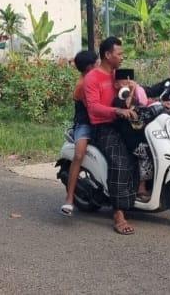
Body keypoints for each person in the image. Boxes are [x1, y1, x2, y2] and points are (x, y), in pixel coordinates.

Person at [83, 37, 138, 235]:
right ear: (108, 55)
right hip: (102, 127)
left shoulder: (117, 76)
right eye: (119, 54)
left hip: (119, 123)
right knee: (120, 161)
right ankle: (118, 214)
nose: (122, 57)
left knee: (140, 152)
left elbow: (125, 104)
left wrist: (129, 91)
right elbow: (93, 107)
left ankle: (136, 195)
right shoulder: (93, 78)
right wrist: (116, 111)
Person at [60, 49, 98, 217]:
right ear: (90, 67)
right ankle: (69, 199)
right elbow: (93, 108)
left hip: (98, 121)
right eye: (96, 62)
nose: (98, 65)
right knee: (79, 154)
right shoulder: (83, 85)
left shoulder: (96, 77)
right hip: (85, 124)